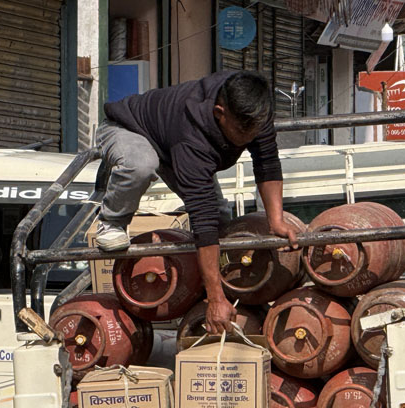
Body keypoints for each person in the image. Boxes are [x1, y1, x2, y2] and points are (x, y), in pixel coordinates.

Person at [95, 70, 295, 334]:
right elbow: (202, 216)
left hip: (171, 141)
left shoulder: (256, 113)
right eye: (240, 131)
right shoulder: (192, 133)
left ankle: (225, 290)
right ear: (219, 113)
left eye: (254, 131)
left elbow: (267, 161)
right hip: (129, 130)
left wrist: (276, 220)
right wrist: (214, 299)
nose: (249, 139)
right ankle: (111, 222)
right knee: (141, 165)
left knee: (224, 225)